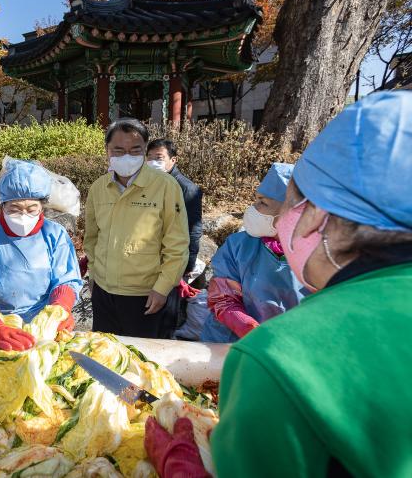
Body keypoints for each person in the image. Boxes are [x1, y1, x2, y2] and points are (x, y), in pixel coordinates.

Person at [145, 91, 412, 477]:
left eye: (285, 203)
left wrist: (184, 465)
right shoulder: (241, 248)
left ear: (315, 214)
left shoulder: (280, 363)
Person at [0, 159, 83, 351]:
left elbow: (66, 280)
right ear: (2, 206)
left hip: (42, 328)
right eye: (14, 209)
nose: (23, 216)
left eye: (32, 209)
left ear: (42, 207)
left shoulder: (54, 234)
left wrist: (60, 309)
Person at [83, 118, 189, 338]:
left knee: (143, 362)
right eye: (119, 150)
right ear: (107, 151)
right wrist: (93, 275)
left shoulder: (166, 186)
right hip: (104, 292)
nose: (127, 156)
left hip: (145, 295)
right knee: (106, 356)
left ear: (145, 150)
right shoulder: (99, 188)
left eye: (135, 150)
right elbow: (92, 238)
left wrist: (162, 288)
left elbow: (177, 244)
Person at [199, 162, 306, 343]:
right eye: (256, 199)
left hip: (289, 351)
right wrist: (248, 328)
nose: (253, 208)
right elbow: (223, 298)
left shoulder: (317, 257)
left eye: (263, 203)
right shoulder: (239, 245)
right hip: (227, 345)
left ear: (292, 211)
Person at [146, 138, 203, 298]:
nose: (152, 162)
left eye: (158, 158)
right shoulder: (151, 183)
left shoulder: (187, 189)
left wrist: (187, 265)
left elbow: (194, 229)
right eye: (149, 158)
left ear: (173, 160)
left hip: (174, 261)